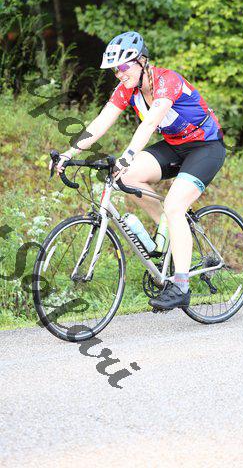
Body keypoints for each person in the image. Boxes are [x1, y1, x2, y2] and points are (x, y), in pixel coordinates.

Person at [50, 31, 226, 310]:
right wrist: (69, 153)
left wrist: (127, 155)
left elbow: (150, 123)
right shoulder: (126, 89)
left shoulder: (167, 81)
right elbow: (100, 123)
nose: (119, 74)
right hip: (175, 146)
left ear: (142, 61)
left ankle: (181, 285)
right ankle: (168, 230)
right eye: (115, 70)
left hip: (206, 147)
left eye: (123, 67)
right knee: (127, 175)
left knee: (174, 204)